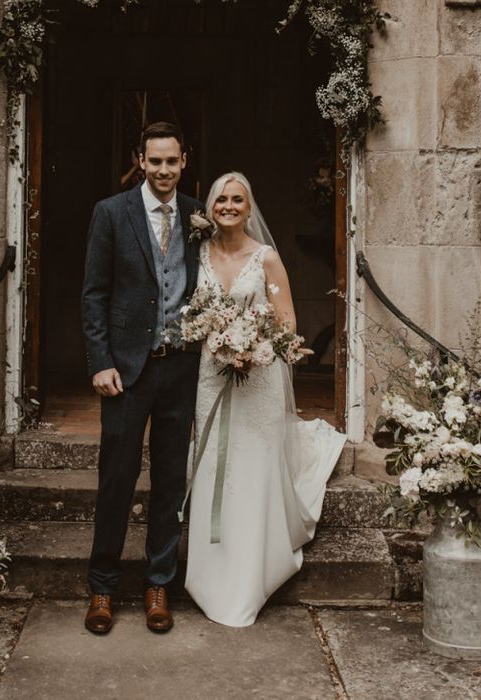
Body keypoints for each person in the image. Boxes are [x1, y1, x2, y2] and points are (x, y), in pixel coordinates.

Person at [184, 172, 346, 627]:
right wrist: (217, 341)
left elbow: (288, 321)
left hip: (258, 377)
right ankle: (209, 574)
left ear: (249, 208)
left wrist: (255, 346)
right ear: (211, 208)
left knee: (252, 465)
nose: (229, 206)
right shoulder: (197, 254)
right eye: (221, 200)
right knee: (216, 462)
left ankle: (250, 575)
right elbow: (192, 313)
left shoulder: (266, 259)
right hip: (211, 376)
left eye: (237, 200)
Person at [81, 122, 204, 634]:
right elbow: (94, 294)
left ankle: (159, 584)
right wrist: (100, 361)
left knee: (171, 482)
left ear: (184, 161)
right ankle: (103, 588)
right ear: (140, 160)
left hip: (181, 367)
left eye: (171, 161)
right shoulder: (111, 213)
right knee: (117, 480)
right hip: (126, 372)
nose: (163, 171)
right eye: (154, 161)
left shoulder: (201, 214)